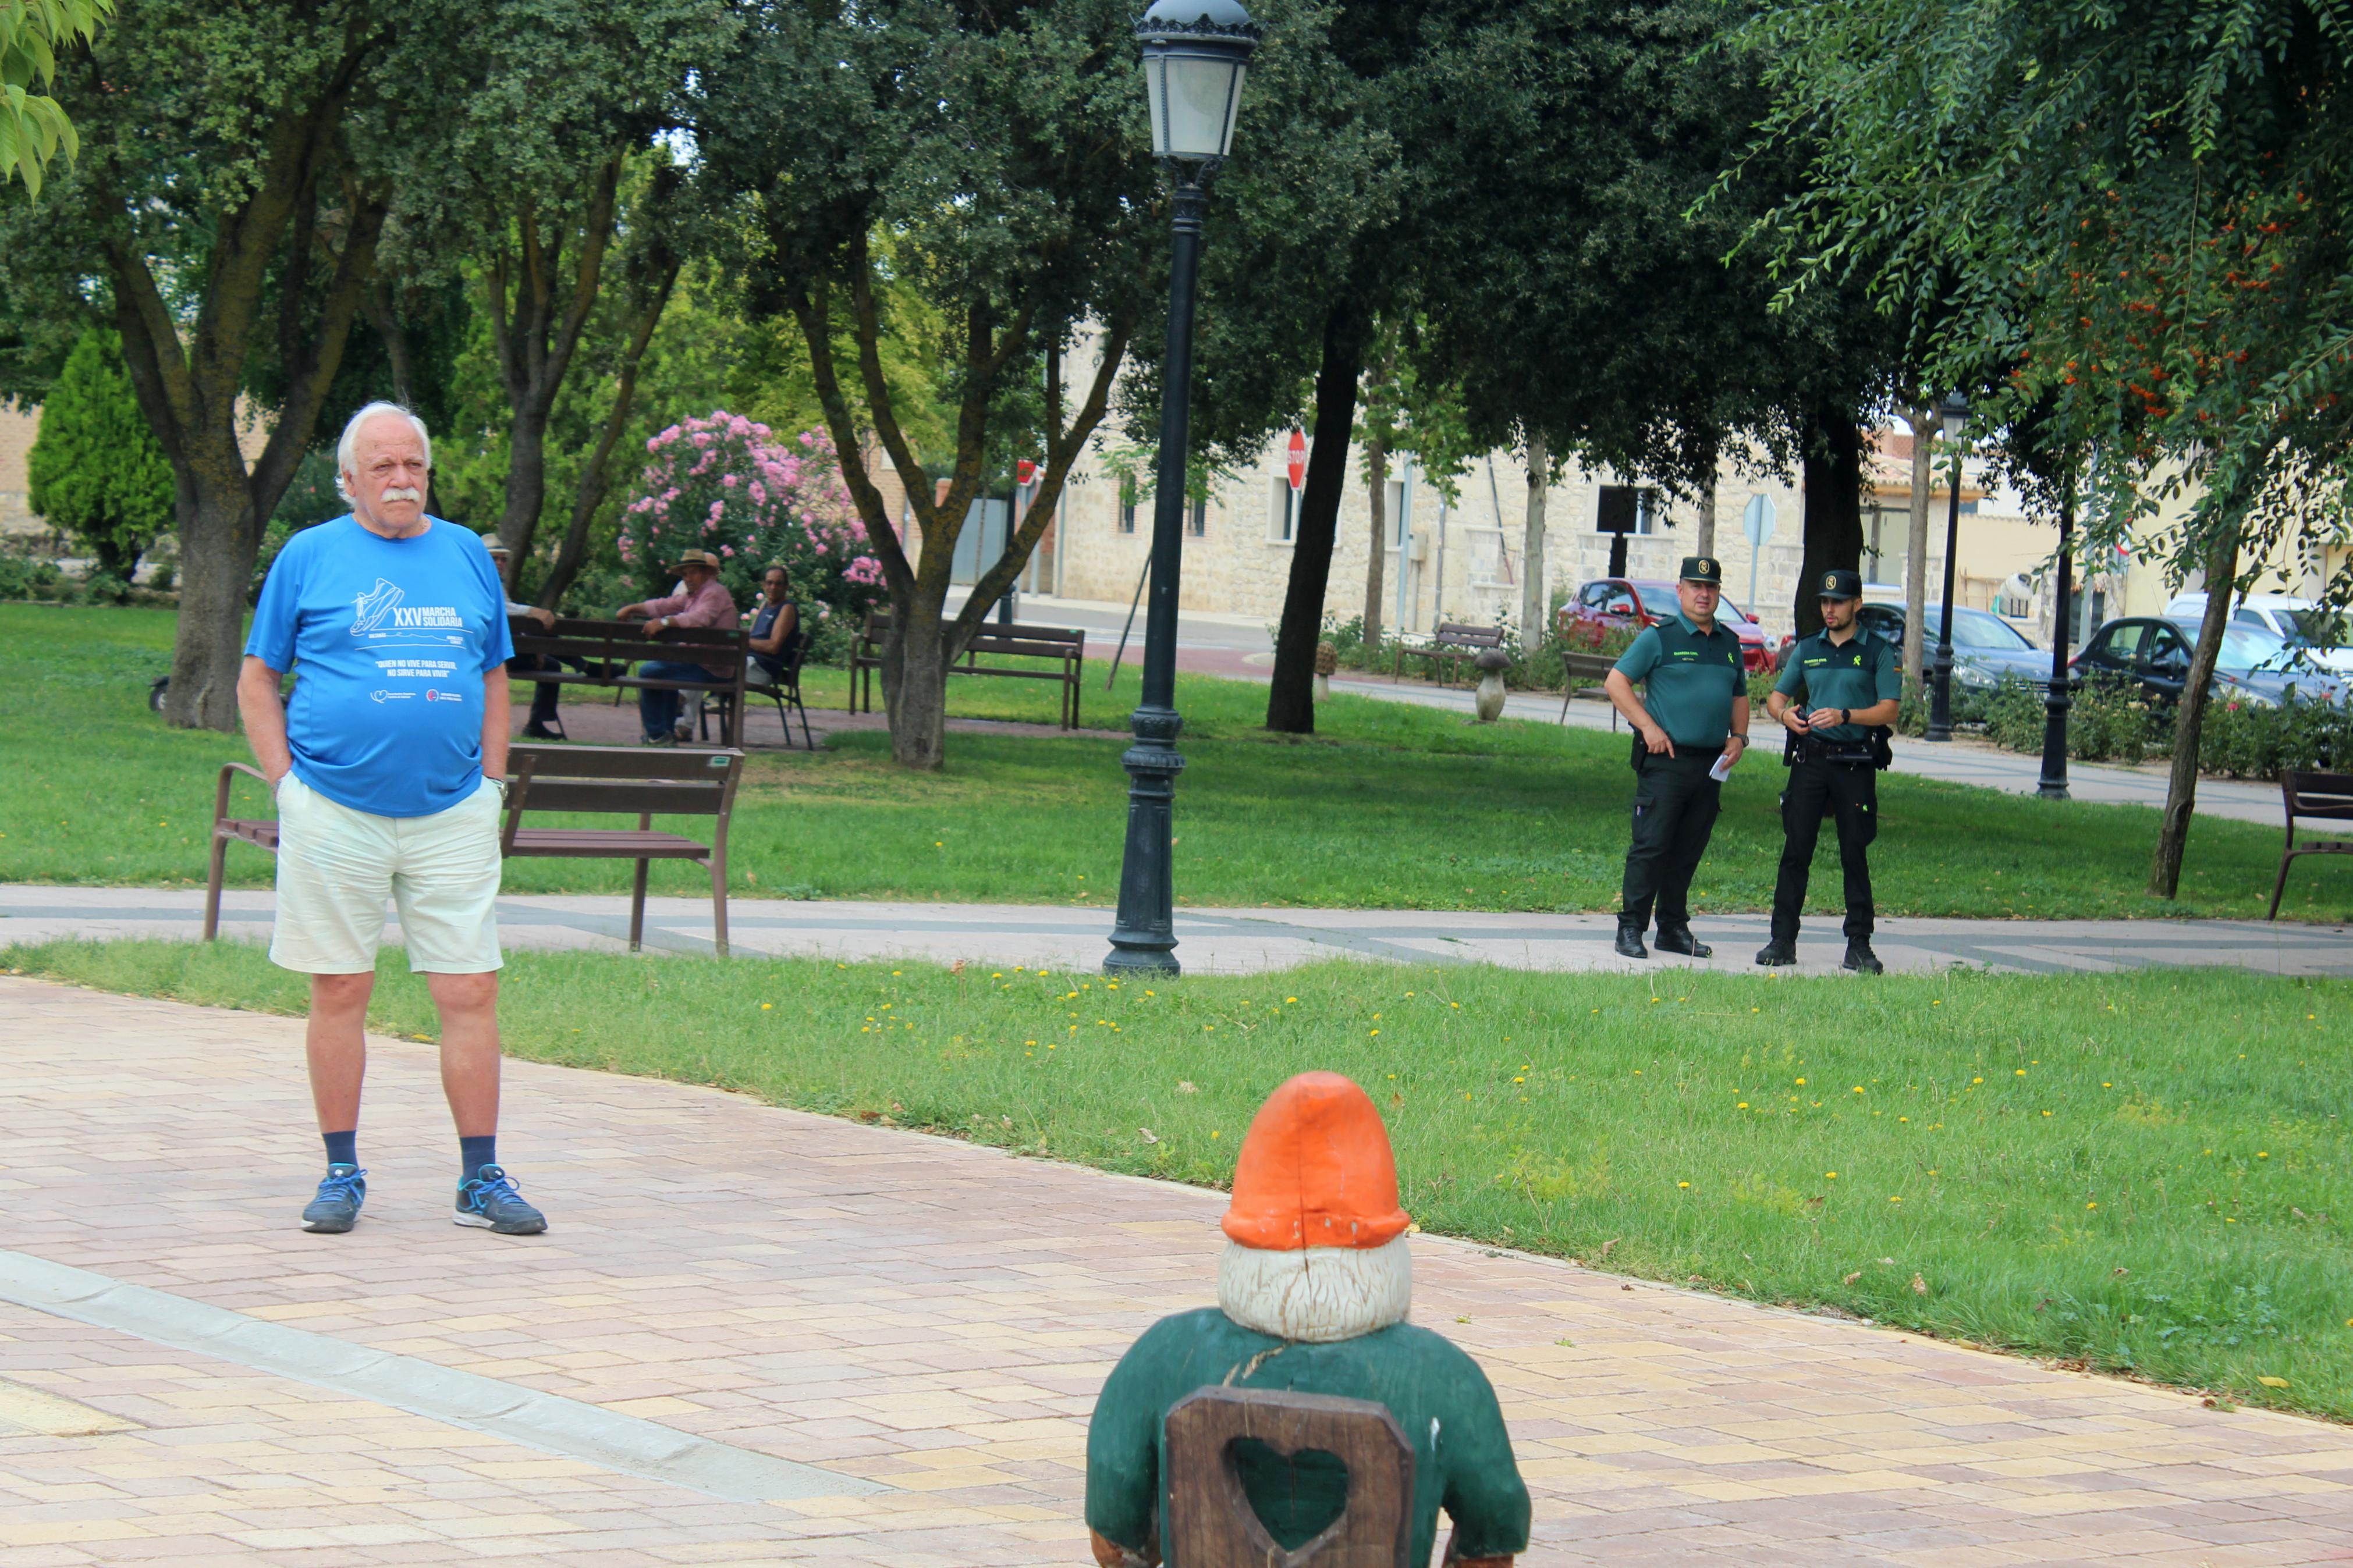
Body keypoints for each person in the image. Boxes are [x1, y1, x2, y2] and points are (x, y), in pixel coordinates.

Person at [238, 400, 547, 1238]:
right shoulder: (308, 557)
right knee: (340, 984)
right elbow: (257, 676)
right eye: (383, 466)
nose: (402, 479)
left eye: (413, 464)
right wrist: (287, 786)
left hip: (452, 810)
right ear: (348, 480)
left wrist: (490, 782)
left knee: (469, 986)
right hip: (335, 807)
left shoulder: (465, 555)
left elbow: (492, 675)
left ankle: (479, 1177)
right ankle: (341, 1168)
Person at [1086, 1072, 1529, 1568]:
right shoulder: (1445, 1375)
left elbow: (1113, 1532)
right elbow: (1491, 1539)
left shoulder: (1165, 1353)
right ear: (1386, 1248)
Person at [1602, 554, 1751, 959]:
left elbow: (1739, 694)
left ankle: (1671, 928)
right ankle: (1630, 927)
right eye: (1695, 587)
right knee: (1651, 846)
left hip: (1710, 763)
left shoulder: (1728, 642)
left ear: (1718, 593)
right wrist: (1646, 726)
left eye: (1711, 588)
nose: (1703, 594)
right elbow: (1616, 682)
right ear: (1680, 591)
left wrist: (1739, 736)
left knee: (1688, 848)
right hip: (1666, 761)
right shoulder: (1659, 636)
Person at [1759, 568, 1902, 973]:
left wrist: (1846, 714)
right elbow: (1774, 699)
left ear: (1856, 604)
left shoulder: (1876, 650)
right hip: (1812, 760)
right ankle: (1781, 940)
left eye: (1837, 602)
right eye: (1824, 601)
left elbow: (1889, 709)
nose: (1829, 608)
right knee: (1795, 850)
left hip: (1855, 761)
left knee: (1853, 852)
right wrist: (1785, 715)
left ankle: (1859, 943)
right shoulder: (1808, 648)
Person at [616, 550, 736, 745]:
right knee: (661, 672)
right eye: (685, 574)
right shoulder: (694, 596)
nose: (688, 578)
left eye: (693, 573)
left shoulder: (714, 592)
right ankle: (664, 733)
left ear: (706, 573)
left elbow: (700, 618)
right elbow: (664, 605)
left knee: (649, 672)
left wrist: (664, 623)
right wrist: (632, 608)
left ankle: (657, 734)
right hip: (701, 662)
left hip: (712, 667)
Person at [482, 541, 564, 739]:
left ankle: (537, 724)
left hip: (506, 651)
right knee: (550, 648)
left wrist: (534, 650)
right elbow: (502, 609)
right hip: (491, 656)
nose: (501, 563)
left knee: (551, 665)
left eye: (504, 559)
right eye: (495, 559)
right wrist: (532, 611)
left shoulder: (495, 582)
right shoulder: (481, 581)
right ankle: (586, 666)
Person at [747, 563, 802, 689]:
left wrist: (743, 641)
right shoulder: (764, 606)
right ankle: (717, 700)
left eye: (778, 584)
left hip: (763, 669)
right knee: (719, 661)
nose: (773, 587)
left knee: (724, 668)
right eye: (769, 583)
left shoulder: (787, 608)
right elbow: (749, 636)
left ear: (786, 587)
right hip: (749, 662)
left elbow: (773, 647)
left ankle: (718, 700)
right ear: (763, 585)